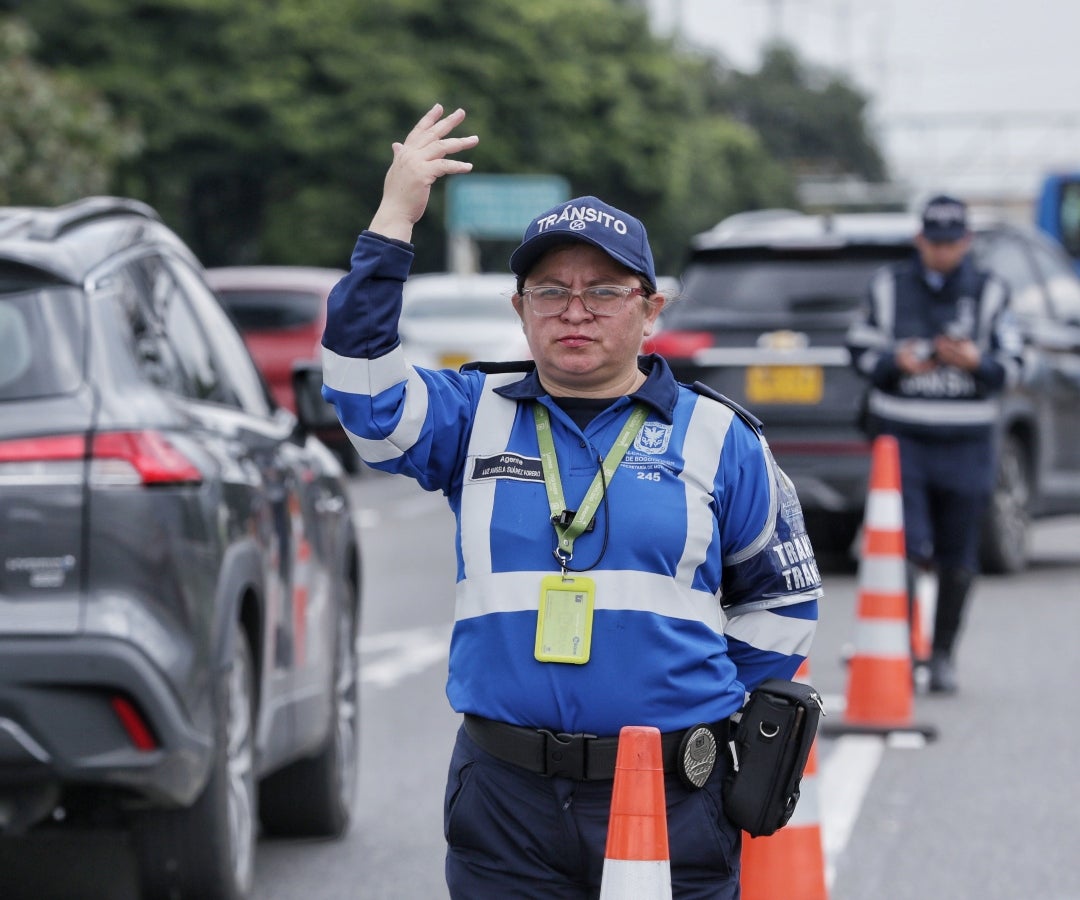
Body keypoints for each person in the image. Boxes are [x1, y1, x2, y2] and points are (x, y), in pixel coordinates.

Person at [321, 104, 821, 899]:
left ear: (652, 310)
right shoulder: (470, 413)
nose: (575, 311)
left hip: (670, 792)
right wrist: (392, 221)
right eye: (550, 292)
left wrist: (697, 703)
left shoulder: (720, 437)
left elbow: (785, 596)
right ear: (519, 310)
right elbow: (362, 398)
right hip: (506, 794)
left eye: (604, 291)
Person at [847, 194, 1023, 694]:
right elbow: (858, 351)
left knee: (958, 555)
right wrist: (898, 360)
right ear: (919, 239)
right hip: (901, 441)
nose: (942, 251)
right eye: (934, 241)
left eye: (952, 242)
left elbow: (1013, 365)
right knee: (904, 547)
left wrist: (973, 361)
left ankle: (943, 653)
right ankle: (900, 647)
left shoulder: (990, 291)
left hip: (967, 443)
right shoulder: (888, 286)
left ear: (965, 242)